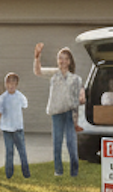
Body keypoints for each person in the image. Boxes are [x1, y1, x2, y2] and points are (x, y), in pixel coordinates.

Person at [33, 42, 84, 177]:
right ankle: (58, 171)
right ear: (58, 60)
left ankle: (74, 173)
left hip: (70, 114)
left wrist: (76, 120)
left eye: (66, 58)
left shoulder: (76, 79)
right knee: (57, 143)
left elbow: (79, 100)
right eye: (60, 58)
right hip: (56, 113)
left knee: (72, 145)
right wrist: (37, 57)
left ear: (70, 61)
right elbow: (38, 71)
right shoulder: (54, 74)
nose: (63, 61)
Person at [0, 73, 30, 179]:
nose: (11, 86)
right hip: (7, 129)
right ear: (6, 84)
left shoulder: (20, 96)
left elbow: (25, 105)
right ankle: (9, 174)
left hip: (18, 128)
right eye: (9, 84)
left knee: (22, 151)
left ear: (16, 85)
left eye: (13, 84)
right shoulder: (2, 99)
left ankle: (26, 173)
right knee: (9, 152)